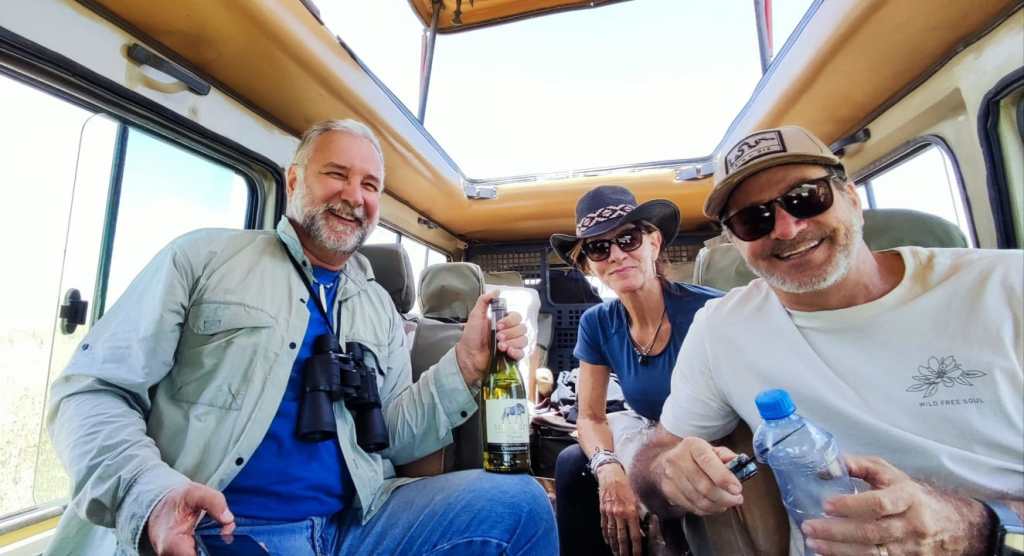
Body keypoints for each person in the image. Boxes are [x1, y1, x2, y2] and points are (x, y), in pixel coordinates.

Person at [45, 119, 557, 555]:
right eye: (336, 174)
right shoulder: (202, 259)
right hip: (222, 526)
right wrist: (151, 494)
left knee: (522, 503)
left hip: (357, 523)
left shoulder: (377, 306)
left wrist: (466, 364)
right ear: (293, 179)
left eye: (370, 185)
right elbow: (90, 392)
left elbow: (395, 433)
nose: (354, 195)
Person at [630, 125, 1024, 555]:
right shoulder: (721, 328)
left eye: (805, 197)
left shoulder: (1007, 287)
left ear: (851, 198)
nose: (786, 228)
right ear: (734, 241)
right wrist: (669, 473)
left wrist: (978, 529)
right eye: (752, 219)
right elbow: (658, 457)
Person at [549, 186, 720, 556]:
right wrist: (609, 469)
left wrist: (659, 476)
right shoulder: (597, 323)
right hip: (650, 436)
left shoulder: (710, 312)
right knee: (573, 464)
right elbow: (590, 417)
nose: (616, 255)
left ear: (654, 244)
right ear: (588, 266)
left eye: (628, 239)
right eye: (599, 248)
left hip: (713, 442)